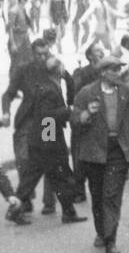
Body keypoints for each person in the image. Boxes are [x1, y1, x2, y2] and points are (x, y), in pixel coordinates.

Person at [0, 37, 84, 225]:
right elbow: (8, 94)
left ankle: (52, 206)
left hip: (46, 123)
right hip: (39, 122)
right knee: (44, 164)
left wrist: (70, 103)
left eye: (46, 53)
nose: (43, 57)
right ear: (32, 53)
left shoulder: (54, 68)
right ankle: (53, 208)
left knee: (44, 167)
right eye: (39, 54)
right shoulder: (27, 70)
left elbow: (70, 83)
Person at [72, 55, 129, 253]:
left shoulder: (127, 92)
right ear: (103, 72)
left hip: (118, 152)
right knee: (97, 197)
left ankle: (111, 241)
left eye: (120, 69)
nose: (118, 73)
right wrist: (86, 114)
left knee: (111, 197)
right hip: (94, 152)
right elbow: (74, 117)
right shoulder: (87, 92)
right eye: (114, 69)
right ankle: (101, 232)